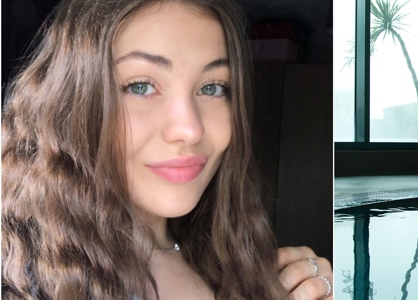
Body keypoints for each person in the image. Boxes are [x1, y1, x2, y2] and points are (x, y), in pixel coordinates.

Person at [1, 0, 332, 299]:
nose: (190, 130)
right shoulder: (21, 276)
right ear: (68, 105)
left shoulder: (232, 260)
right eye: (140, 86)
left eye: (213, 87)